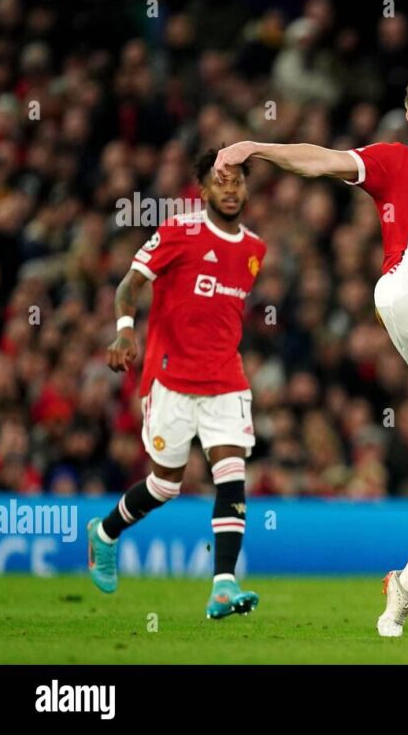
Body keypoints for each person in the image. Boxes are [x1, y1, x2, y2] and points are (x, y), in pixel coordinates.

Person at [214, 68, 408, 637]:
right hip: (404, 290)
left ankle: (404, 586)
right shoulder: (394, 161)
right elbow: (319, 160)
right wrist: (257, 147)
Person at [88, 148, 265, 619]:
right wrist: (125, 331)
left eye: (237, 181)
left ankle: (223, 585)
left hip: (226, 380)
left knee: (231, 473)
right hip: (171, 380)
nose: (230, 189)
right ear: (203, 190)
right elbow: (129, 284)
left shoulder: (255, 250)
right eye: (220, 181)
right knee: (166, 485)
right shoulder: (178, 231)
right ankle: (104, 532)